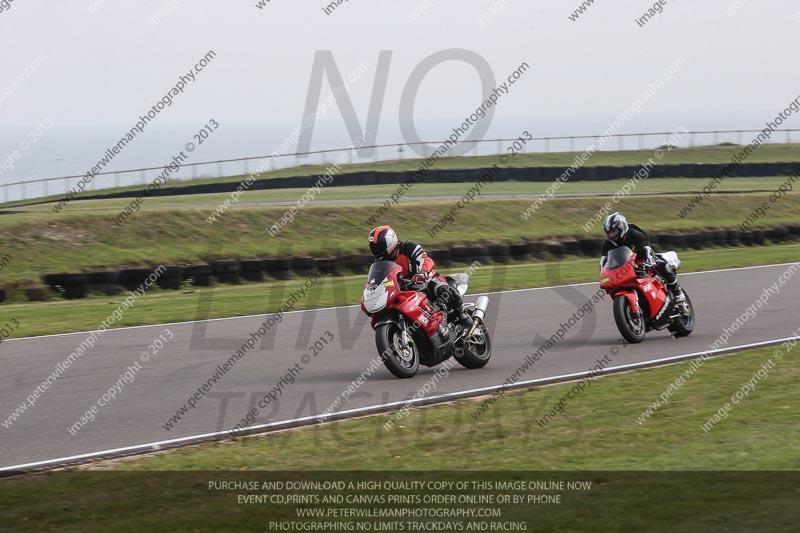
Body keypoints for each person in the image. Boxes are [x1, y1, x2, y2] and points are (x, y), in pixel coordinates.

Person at [368, 225, 473, 328]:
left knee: (440, 288)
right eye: (374, 248)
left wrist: (422, 272)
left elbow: (425, 259)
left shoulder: (408, 247)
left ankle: (463, 314)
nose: (377, 250)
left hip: (427, 280)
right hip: (405, 290)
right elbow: (377, 281)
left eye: (379, 247)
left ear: (390, 241)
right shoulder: (380, 263)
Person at [600, 212, 687, 309]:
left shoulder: (634, 234)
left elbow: (646, 248)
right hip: (626, 266)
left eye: (614, 231)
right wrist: (603, 274)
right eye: (609, 232)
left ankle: (678, 294)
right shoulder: (608, 244)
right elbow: (604, 261)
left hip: (643, 259)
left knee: (664, 267)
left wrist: (647, 261)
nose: (612, 235)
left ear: (621, 227)